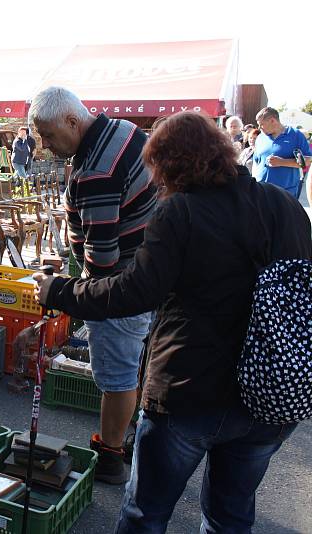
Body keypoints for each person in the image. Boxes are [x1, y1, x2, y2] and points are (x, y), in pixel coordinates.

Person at [32, 111, 311, 533]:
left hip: (189, 391)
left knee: (146, 513)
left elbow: (132, 291)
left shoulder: (180, 212)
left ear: (172, 165)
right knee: (230, 517)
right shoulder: (287, 208)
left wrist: (59, 292)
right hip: (269, 395)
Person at [29, 86, 156, 484]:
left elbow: (101, 261)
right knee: (138, 364)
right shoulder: (122, 129)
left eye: (49, 135)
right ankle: (133, 436)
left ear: (72, 120)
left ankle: (111, 455)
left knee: (117, 376)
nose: (45, 147)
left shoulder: (96, 172)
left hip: (123, 286)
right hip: (151, 267)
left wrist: (68, 294)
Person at [253, 107, 312, 198]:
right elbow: (256, 162)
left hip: (285, 193)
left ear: (272, 121)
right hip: (261, 192)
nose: (259, 128)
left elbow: (307, 161)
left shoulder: (295, 135)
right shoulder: (260, 138)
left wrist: (281, 162)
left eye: (261, 124)